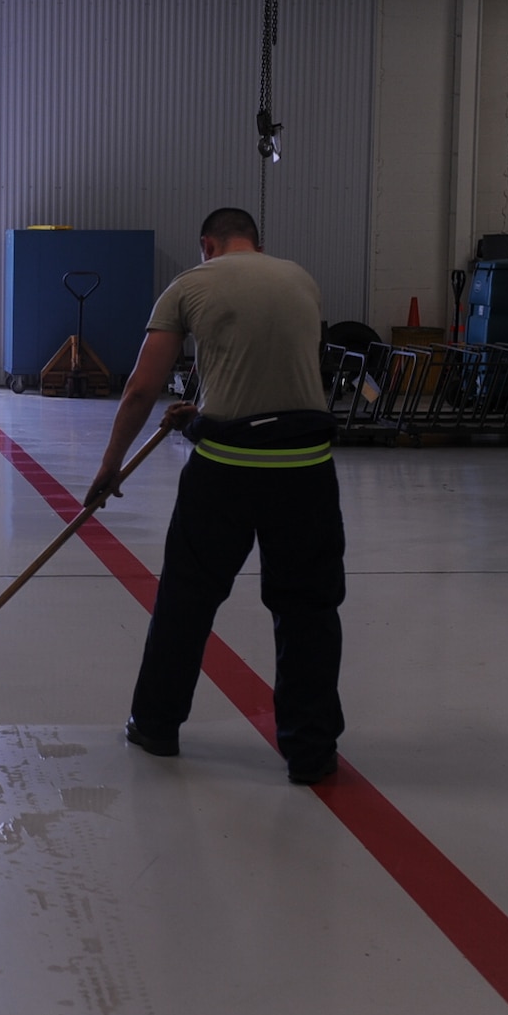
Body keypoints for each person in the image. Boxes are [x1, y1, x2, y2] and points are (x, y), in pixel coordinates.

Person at [84, 207, 345, 784]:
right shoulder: (301, 279)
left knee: (187, 600)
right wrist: (202, 411)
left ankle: (156, 725)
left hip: (227, 470)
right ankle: (311, 751)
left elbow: (140, 389)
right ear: (257, 242)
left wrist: (112, 464)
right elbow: (275, 373)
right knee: (309, 609)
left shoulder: (190, 286)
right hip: (306, 468)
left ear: (208, 244)